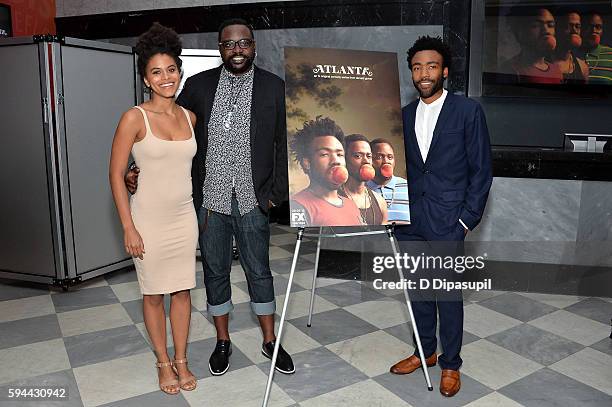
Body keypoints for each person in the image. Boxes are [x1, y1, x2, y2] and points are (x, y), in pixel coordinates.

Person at [126, 18, 294, 376]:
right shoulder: (198, 87)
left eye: (243, 43)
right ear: (220, 48)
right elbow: (167, 129)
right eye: (229, 44)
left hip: (253, 200)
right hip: (208, 202)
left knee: (259, 272)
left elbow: (284, 144)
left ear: (254, 46)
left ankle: (270, 340)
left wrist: (274, 196)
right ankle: (223, 341)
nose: (237, 50)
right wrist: (136, 169)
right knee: (215, 273)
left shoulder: (274, 87)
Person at [389, 36, 492, 398]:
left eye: (431, 66)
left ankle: (451, 363)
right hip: (409, 221)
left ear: (444, 71)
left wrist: (466, 219)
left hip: (449, 220)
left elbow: (482, 171)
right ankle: (425, 352)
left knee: (447, 295)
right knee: (418, 291)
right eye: (417, 67)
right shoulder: (401, 115)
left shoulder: (467, 111)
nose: (424, 73)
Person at [109, 23, 198, 395]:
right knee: (152, 293)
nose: (166, 78)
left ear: (180, 72)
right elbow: (115, 175)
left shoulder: (190, 117)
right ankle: (162, 362)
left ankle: (182, 359)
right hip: (147, 219)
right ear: (146, 79)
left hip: (184, 216)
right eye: (156, 72)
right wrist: (128, 226)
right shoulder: (134, 117)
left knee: (182, 291)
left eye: (171, 70)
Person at [289, 116, 362, 227]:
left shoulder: (351, 205)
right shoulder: (297, 206)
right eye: (324, 154)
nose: (336, 161)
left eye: (340, 154)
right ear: (307, 163)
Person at [503, 6, 563, 84]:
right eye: (535, 25)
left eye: (551, 25)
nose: (546, 30)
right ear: (520, 32)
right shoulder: (510, 69)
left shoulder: (556, 70)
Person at [339, 134, 388, 225]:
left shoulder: (380, 201)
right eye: (358, 156)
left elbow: (384, 237)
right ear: (344, 160)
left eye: (369, 156)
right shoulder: (330, 197)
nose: (366, 161)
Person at [366, 138, 410, 224]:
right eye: (379, 157)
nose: (386, 161)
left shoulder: (408, 187)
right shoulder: (360, 190)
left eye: (390, 157)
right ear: (369, 160)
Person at [552, 10, 589, 84]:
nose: (574, 30)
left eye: (578, 26)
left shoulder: (583, 67)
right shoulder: (543, 62)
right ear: (557, 29)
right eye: (569, 26)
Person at [583, 12, 612, 84]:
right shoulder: (572, 54)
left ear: (602, 31)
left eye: (598, 27)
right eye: (589, 26)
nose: (593, 30)